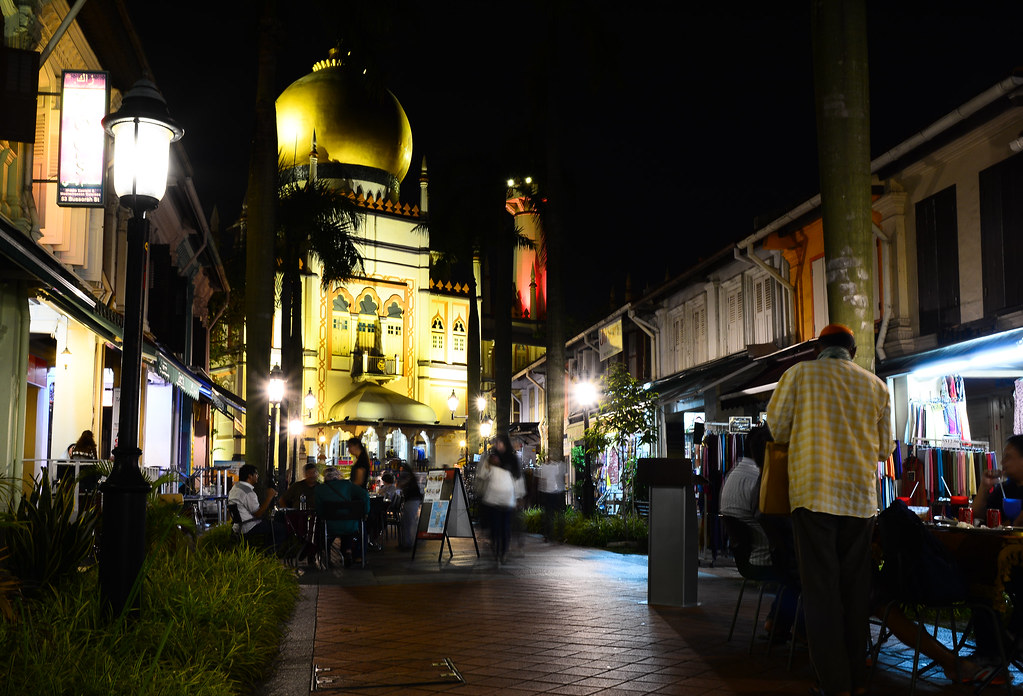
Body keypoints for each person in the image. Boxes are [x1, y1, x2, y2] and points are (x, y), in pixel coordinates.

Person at [766, 323, 893, 696]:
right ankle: (856, 679)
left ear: (818, 349)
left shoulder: (798, 375)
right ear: (852, 352)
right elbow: (885, 449)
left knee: (821, 591)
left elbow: (778, 429)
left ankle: (835, 685)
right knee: (855, 591)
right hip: (859, 502)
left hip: (813, 494)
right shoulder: (876, 386)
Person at [720, 423, 799, 637]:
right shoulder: (760, 480)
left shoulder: (735, 473)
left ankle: (777, 622)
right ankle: (799, 630)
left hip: (746, 557)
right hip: (763, 558)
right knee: (805, 576)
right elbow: (775, 524)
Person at [316, 466, 371, 566]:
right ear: (338, 476)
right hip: (350, 526)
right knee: (356, 527)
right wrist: (365, 512)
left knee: (321, 529)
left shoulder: (319, 489)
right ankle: (353, 554)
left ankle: (326, 555)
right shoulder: (347, 485)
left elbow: (319, 510)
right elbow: (365, 495)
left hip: (329, 526)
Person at [482, 433, 521, 564]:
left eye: (500, 442)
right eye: (496, 443)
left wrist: (519, 496)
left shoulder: (512, 458)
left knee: (505, 527)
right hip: (493, 497)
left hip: (507, 498)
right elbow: (484, 473)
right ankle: (496, 547)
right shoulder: (492, 457)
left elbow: (517, 476)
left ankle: (503, 551)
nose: (498, 445)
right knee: (495, 526)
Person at [227, 464, 285, 548]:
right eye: (256, 474)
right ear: (250, 476)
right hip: (249, 526)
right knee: (281, 529)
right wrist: (269, 497)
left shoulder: (235, 488)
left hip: (237, 526)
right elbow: (258, 514)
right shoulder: (248, 492)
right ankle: (268, 553)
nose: (258, 476)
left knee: (271, 525)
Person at [396, 461, 422, 550]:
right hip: (414, 499)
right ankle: (409, 542)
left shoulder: (405, 474)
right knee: (409, 522)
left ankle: (407, 543)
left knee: (407, 522)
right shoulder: (410, 475)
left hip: (411, 499)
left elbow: (399, 485)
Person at [538, 457, 565, 541]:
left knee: (549, 515)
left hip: (548, 493)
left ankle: (549, 535)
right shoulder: (560, 465)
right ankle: (560, 535)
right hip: (558, 493)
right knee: (559, 515)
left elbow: (542, 481)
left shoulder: (545, 467)